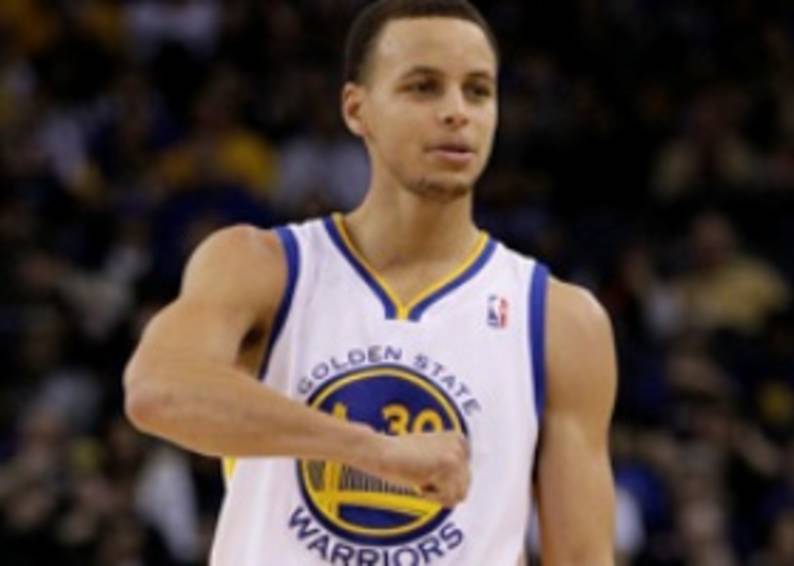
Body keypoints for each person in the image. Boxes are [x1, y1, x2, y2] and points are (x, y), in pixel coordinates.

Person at [123, 1, 617, 564]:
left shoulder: (559, 319)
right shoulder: (264, 267)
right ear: (357, 110)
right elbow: (158, 390)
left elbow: (583, 557)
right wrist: (376, 453)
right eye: (423, 88)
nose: (457, 112)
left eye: (478, 91)